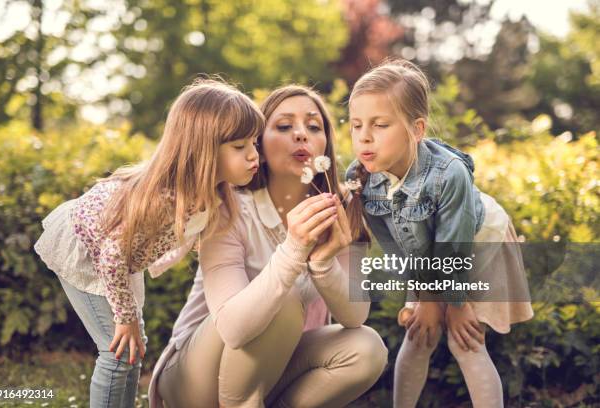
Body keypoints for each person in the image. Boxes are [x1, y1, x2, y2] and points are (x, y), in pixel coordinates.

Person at [150, 85, 388, 408]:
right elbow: (233, 330)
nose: (301, 134)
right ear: (256, 144)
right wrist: (293, 250)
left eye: (314, 126)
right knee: (283, 300)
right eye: (284, 126)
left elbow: (356, 315)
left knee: (367, 348)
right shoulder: (227, 208)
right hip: (196, 377)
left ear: (325, 145)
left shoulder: (342, 210)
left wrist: (322, 263)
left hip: (273, 372)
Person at [34, 78, 264, 408]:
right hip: (87, 250)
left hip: (119, 257)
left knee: (132, 348)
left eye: (253, 143)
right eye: (240, 147)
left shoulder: (210, 193)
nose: (254, 155)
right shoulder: (164, 199)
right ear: (202, 150)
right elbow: (112, 257)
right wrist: (124, 318)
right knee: (117, 351)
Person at [345, 59, 533, 408]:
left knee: (466, 340)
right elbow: (394, 245)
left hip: (475, 242)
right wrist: (422, 295)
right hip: (427, 251)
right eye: (356, 126)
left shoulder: (450, 176)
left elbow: (454, 247)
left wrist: (455, 303)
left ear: (416, 129)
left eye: (380, 124)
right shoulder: (362, 178)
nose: (364, 137)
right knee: (419, 334)